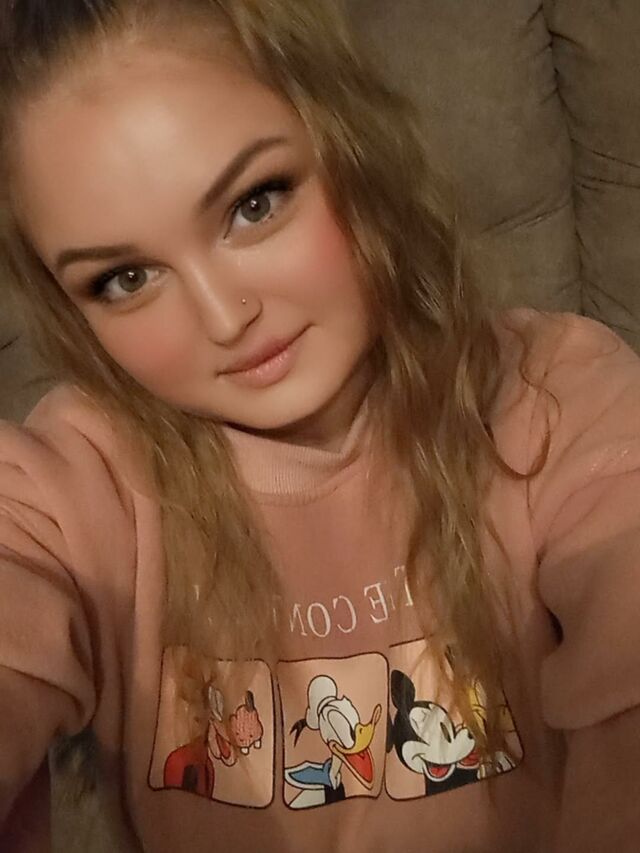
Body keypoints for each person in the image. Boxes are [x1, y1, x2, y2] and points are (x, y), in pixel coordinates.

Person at [0, 0, 639, 850]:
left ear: (351, 142)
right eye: (126, 278)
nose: (224, 317)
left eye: (254, 203)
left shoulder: (552, 394)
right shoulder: (82, 481)